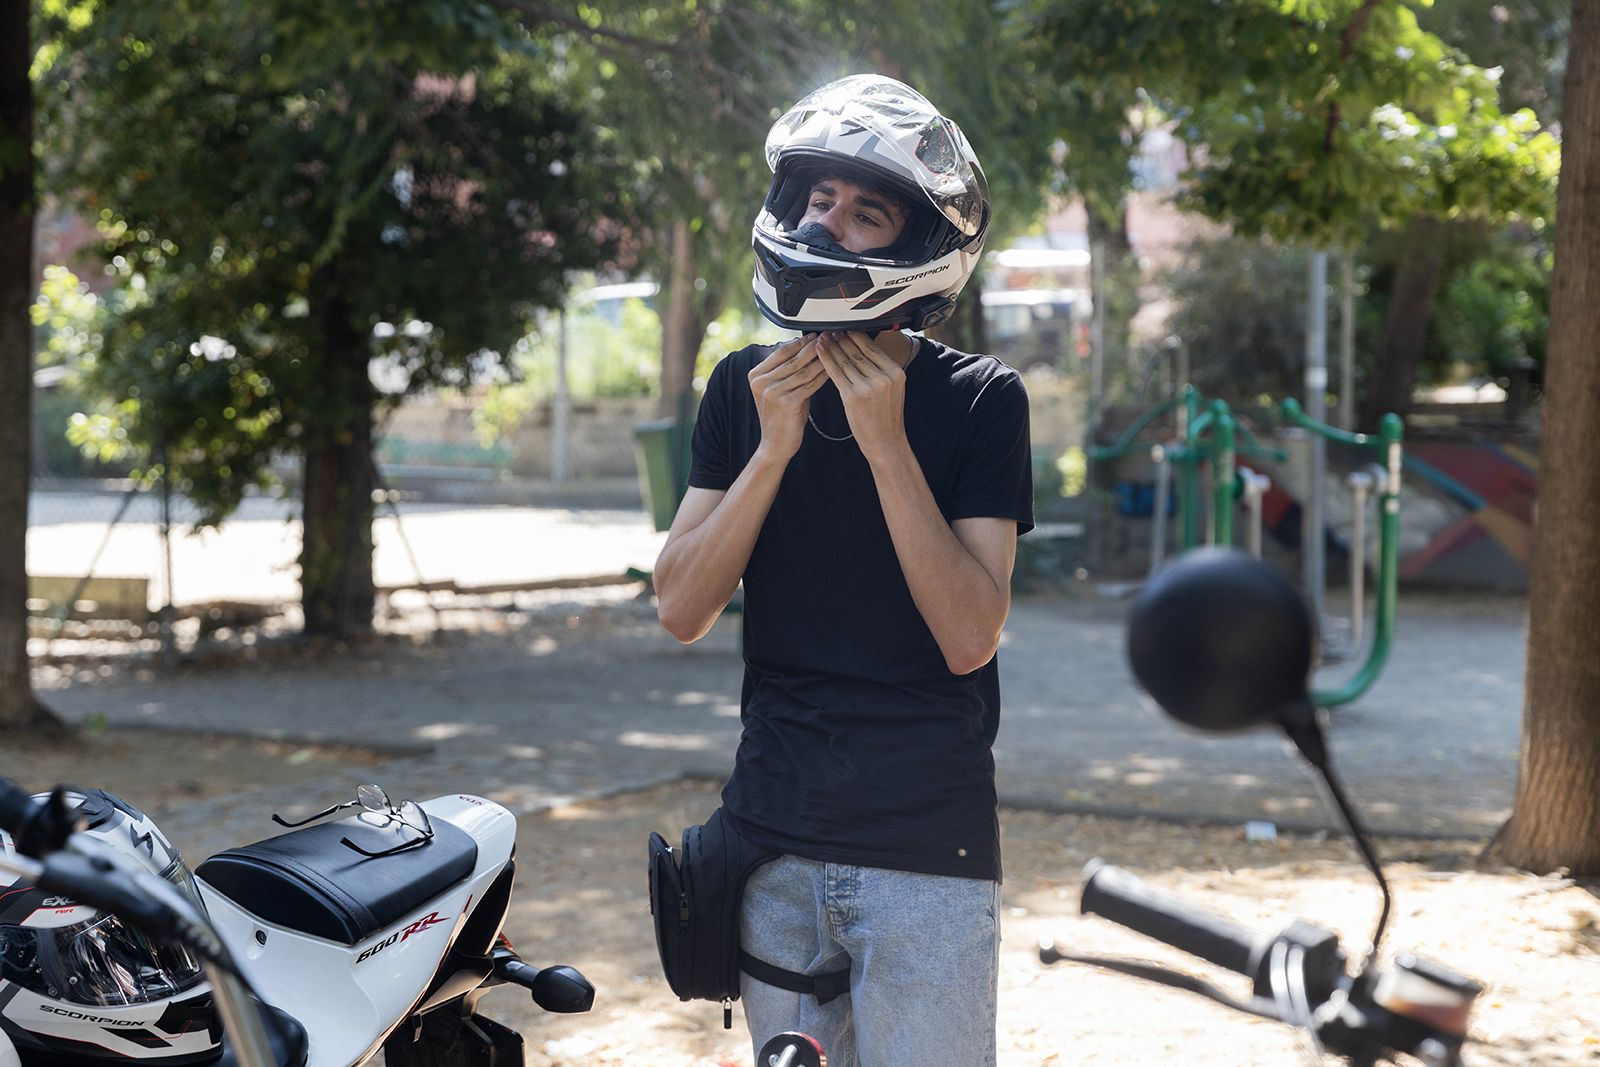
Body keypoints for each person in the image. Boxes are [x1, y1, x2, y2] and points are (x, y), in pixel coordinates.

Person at [652, 74, 1032, 1067]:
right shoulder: (744, 386)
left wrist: (885, 444)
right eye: (818, 198)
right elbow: (681, 604)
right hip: (772, 839)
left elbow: (969, 633)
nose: (829, 220)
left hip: (927, 850)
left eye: (865, 211)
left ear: (916, 248)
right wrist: (772, 449)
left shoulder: (984, 399)